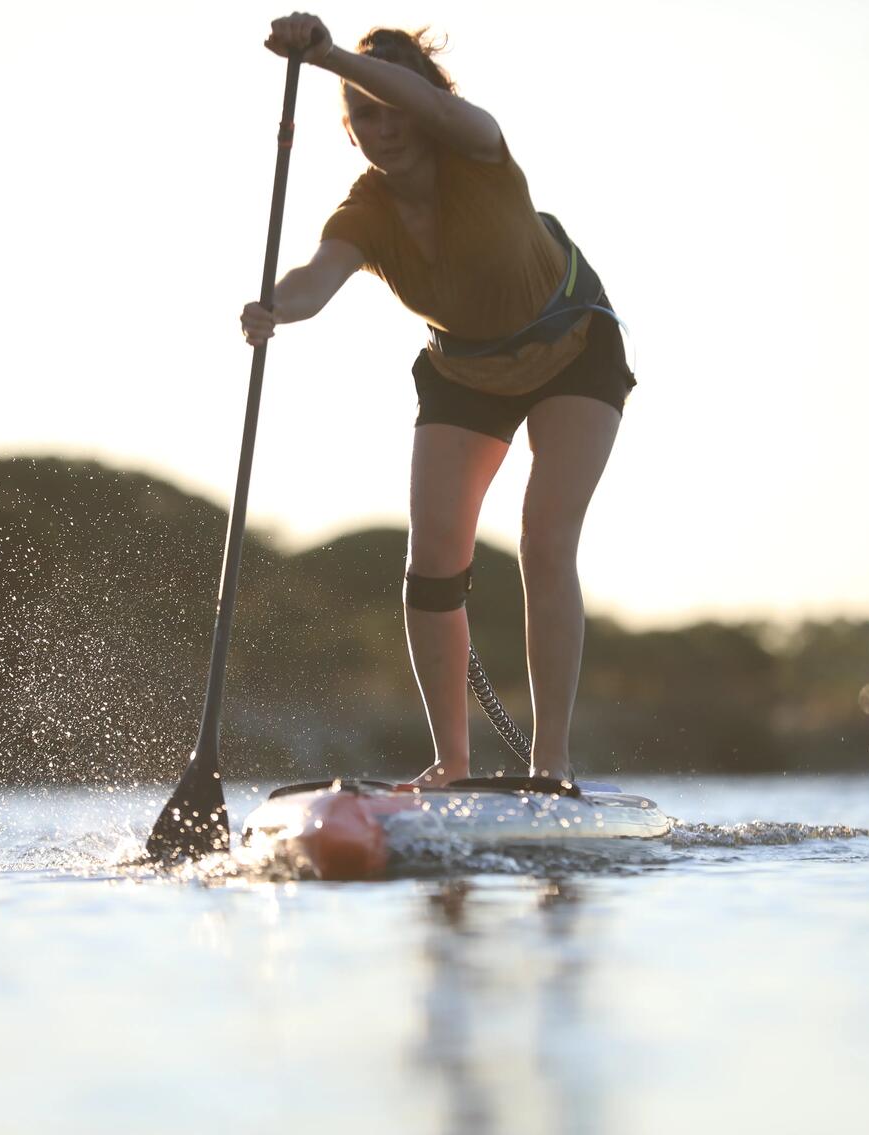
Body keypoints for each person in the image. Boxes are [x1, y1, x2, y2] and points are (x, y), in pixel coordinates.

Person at [241, 13, 635, 788]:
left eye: (394, 107)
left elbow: (436, 110)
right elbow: (315, 280)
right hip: (465, 372)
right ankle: (449, 765)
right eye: (364, 118)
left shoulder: (479, 147)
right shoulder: (365, 211)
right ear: (350, 134)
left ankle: (548, 764)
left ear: (427, 102)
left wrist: (327, 58)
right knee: (431, 569)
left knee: (544, 543)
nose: (382, 126)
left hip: (574, 351)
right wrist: (272, 309)